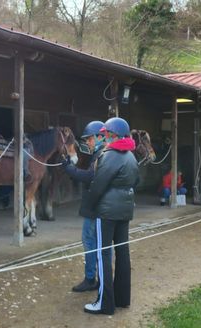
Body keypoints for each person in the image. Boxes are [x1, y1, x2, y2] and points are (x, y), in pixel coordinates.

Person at [82, 117, 139, 315]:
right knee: (122, 253)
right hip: (125, 209)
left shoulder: (110, 155)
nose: (104, 139)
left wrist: (89, 208)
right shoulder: (131, 156)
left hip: (106, 211)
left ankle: (104, 303)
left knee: (103, 254)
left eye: (106, 135)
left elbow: (98, 185)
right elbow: (136, 181)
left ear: (113, 135)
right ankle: (122, 298)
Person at [60, 120, 105, 292]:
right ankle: (96, 277)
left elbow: (90, 177)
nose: (87, 142)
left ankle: (90, 278)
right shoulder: (99, 154)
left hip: (94, 207)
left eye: (89, 139)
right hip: (95, 205)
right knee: (94, 242)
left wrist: (70, 169)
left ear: (100, 137)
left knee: (89, 240)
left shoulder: (100, 155)